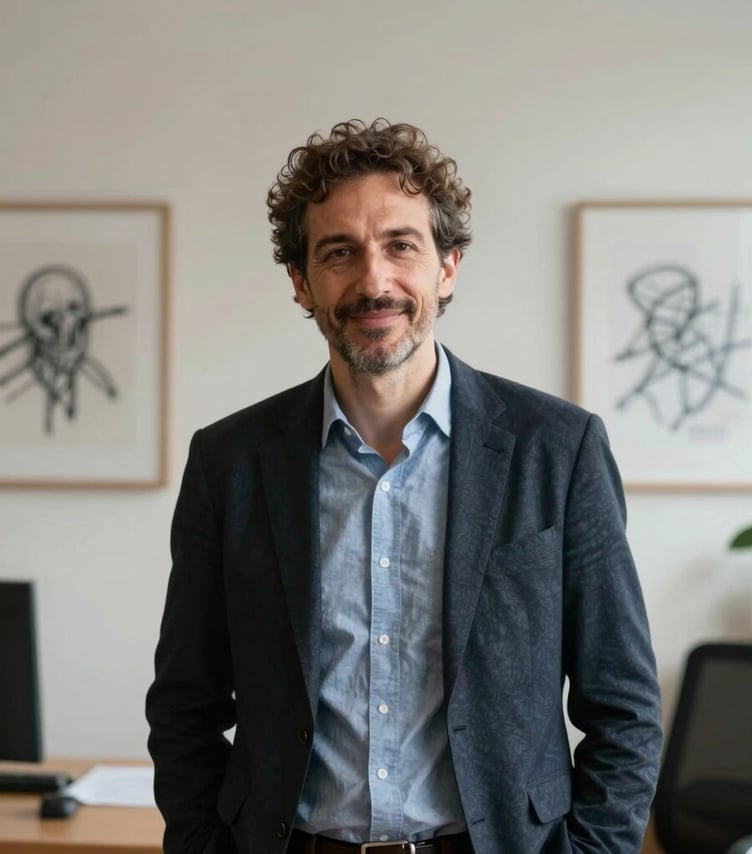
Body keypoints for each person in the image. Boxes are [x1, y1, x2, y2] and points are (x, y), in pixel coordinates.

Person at [146, 118, 663, 854]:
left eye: (401, 245)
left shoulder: (558, 449)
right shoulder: (230, 461)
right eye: (339, 252)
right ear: (301, 280)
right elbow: (185, 704)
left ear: (447, 267)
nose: (374, 280)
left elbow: (627, 709)